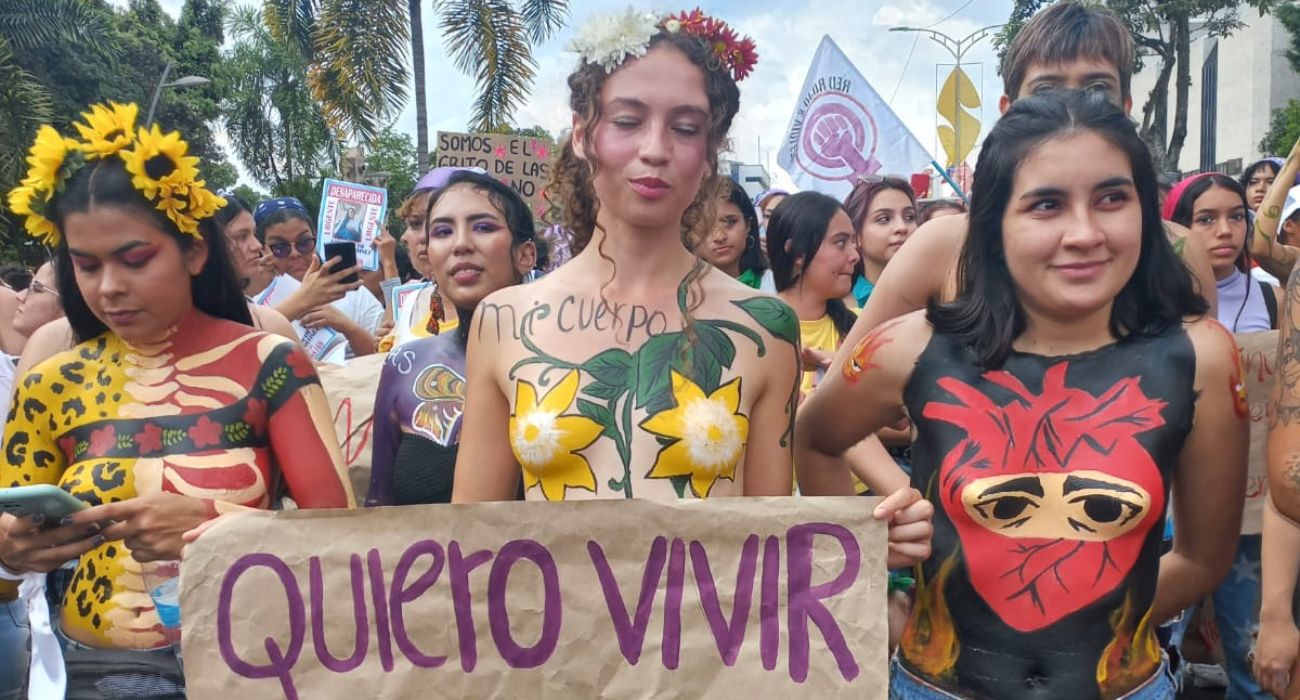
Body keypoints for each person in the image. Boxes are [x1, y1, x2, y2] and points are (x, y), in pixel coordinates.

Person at [797, 90, 1247, 700]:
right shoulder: (910, 347)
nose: (1084, 233)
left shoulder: (1202, 358)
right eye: (1046, 205)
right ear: (993, 222)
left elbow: (1203, 559)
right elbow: (816, 437)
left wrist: (1095, 624)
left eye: (1112, 198)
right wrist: (861, 556)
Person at [450, 8, 931, 562]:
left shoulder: (763, 326)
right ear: (583, 134)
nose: (656, 148)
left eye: (684, 128)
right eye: (627, 121)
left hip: (710, 620)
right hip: (548, 618)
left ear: (708, 154)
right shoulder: (504, 321)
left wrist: (857, 542)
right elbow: (469, 546)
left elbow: (764, 551)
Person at [0, 103, 353, 697]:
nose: (109, 287)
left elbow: (345, 543)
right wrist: (10, 555)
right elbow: (6, 560)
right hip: (92, 671)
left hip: (252, 665)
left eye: (135, 260)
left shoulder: (270, 365)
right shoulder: (51, 383)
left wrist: (222, 524)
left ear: (194, 252)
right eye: (86, 266)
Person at [832, 0, 1221, 390]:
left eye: (1097, 89)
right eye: (1046, 91)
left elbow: (1202, 397)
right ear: (1008, 111)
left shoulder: (1180, 252)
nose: (1072, 108)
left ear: (1125, 107)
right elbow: (837, 398)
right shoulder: (943, 246)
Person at [1165, 172, 1277, 699]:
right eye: (1205, 219)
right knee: (1148, 643)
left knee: (1251, 652)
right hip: (1165, 503)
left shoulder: (1273, 297)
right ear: (1176, 228)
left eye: (1236, 216)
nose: (1224, 231)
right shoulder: (1145, 301)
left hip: (1249, 503)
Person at [367, 170, 537, 506]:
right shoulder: (406, 366)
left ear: (525, 255)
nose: (461, 244)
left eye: (483, 227)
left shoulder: (566, 362)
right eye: (443, 232)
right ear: (430, 258)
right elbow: (378, 511)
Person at [254, 196, 384, 359]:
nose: (295, 253)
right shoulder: (255, 305)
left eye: (304, 242)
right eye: (280, 247)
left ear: (316, 238)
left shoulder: (351, 293)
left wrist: (347, 327)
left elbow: (383, 355)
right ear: (262, 249)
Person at [843, 176, 917, 308]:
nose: (902, 227)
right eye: (884, 219)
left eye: (909, 217)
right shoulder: (837, 309)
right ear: (855, 235)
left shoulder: (938, 297)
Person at [699, 178, 772, 291]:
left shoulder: (776, 287)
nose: (719, 237)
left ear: (748, 225)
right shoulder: (681, 292)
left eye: (730, 222)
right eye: (706, 225)